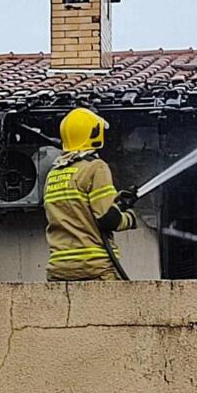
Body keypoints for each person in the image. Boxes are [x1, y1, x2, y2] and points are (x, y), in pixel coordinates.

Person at [44, 107, 137, 281]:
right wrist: (130, 217)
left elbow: (78, 212)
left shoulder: (53, 174)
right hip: (95, 267)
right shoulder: (95, 167)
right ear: (94, 133)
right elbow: (108, 220)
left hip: (59, 270)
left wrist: (118, 203)